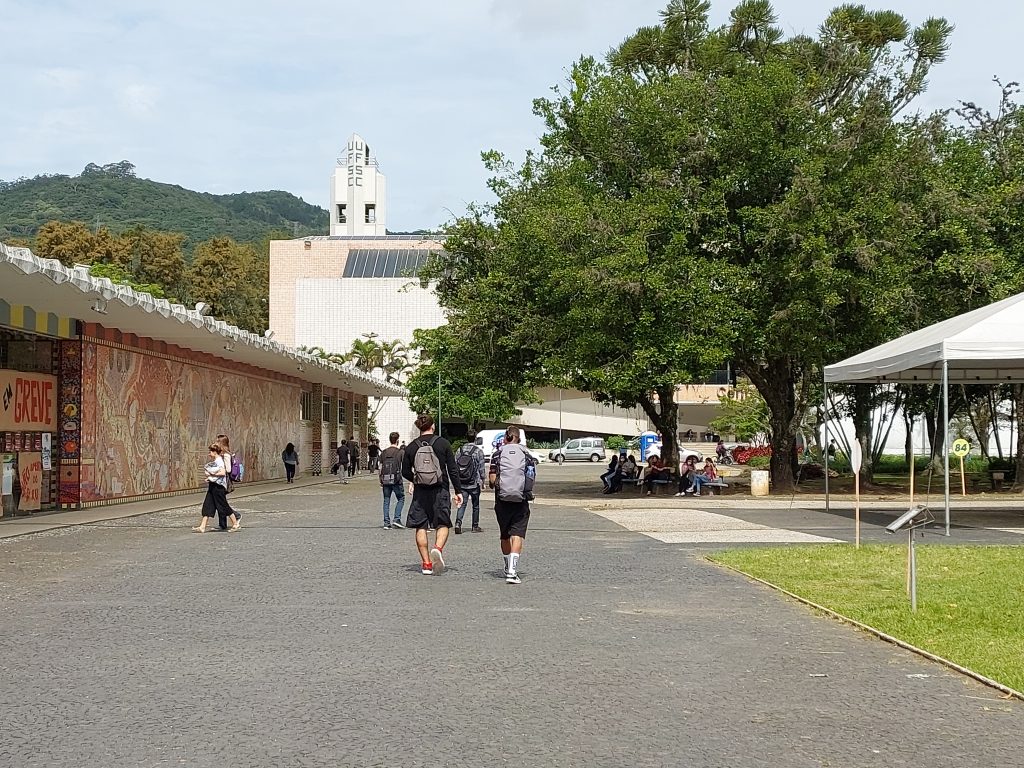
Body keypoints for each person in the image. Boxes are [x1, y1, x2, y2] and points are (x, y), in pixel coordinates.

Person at [402, 414, 462, 575]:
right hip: (440, 488)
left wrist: (415, 479)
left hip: (421, 491)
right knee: (443, 523)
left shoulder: (411, 446)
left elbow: (404, 471)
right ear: (433, 426)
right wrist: (458, 491)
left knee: (420, 525)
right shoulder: (443, 443)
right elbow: (453, 469)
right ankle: (437, 548)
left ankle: (426, 563)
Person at [489, 426, 536, 584]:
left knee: (505, 534)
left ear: (506, 438)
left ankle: (507, 565)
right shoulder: (526, 454)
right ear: (519, 439)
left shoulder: (497, 454)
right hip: (520, 500)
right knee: (518, 534)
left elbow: (491, 480)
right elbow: (531, 477)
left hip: (501, 500)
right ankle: (512, 571)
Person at [193, 443, 239, 533]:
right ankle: (202, 527)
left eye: (210, 451)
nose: (209, 453)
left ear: (215, 452)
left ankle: (235, 523)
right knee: (207, 505)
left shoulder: (219, 461)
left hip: (218, 487)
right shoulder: (216, 461)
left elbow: (222, 472)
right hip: (213, 486)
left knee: (223, 506)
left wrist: (211, 474)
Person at [454, 430, 486, 534]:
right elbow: (481, 467)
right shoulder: (478, 451)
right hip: (474, 482)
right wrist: (483, 480)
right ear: (475, 438)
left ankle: (458, 523)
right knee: (475, 505)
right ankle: (475, 526)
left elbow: (455, 466)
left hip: (462, 482)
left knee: (462, 504)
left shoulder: (460, 450)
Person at [379, 431, 405, 529]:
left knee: (386, 500)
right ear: (397, 441)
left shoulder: (384, 452)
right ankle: (397, 518)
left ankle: (386, 522)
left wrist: (380, 479)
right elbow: (405, 466)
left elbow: (380, 467)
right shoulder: (400, 452)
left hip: (385, 479)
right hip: (396, 479)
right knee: (401, 498)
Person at [215, 434, 240, 530]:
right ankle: (223, 524)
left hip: (224, 482)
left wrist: (218, 470)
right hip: (220, 481)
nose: (216, 442)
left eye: (217, 441)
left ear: (222, 443)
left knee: (221, 503)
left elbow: (228, 469)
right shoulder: (221, 454)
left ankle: (235, 515)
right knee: (220, 503)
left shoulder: (226, 455)